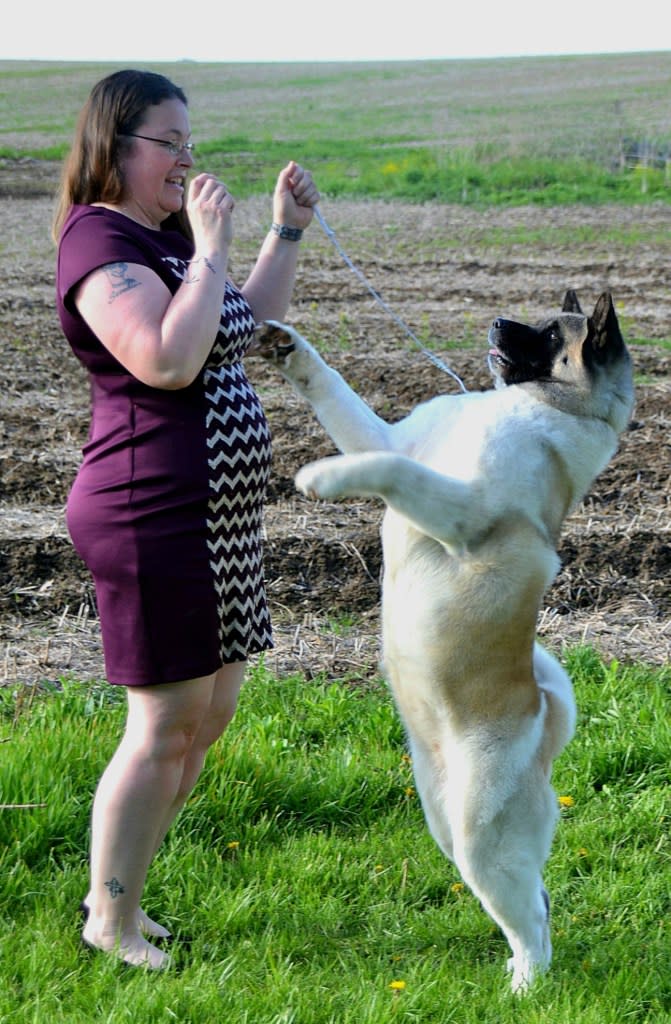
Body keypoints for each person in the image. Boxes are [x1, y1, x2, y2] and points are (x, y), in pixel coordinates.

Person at [52, 68, 320, 970]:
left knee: (205, 719)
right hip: (150, 516)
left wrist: (281, 232)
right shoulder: (99, 240)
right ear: (116, 145)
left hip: (217, 522)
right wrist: (207, 245)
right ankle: (110, 921)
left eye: (188, 143)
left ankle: (120, 896)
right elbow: (167, 361)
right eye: (170, 143)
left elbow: (242, 325)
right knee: (162, 726)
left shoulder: (164, 240)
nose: (185, 159)